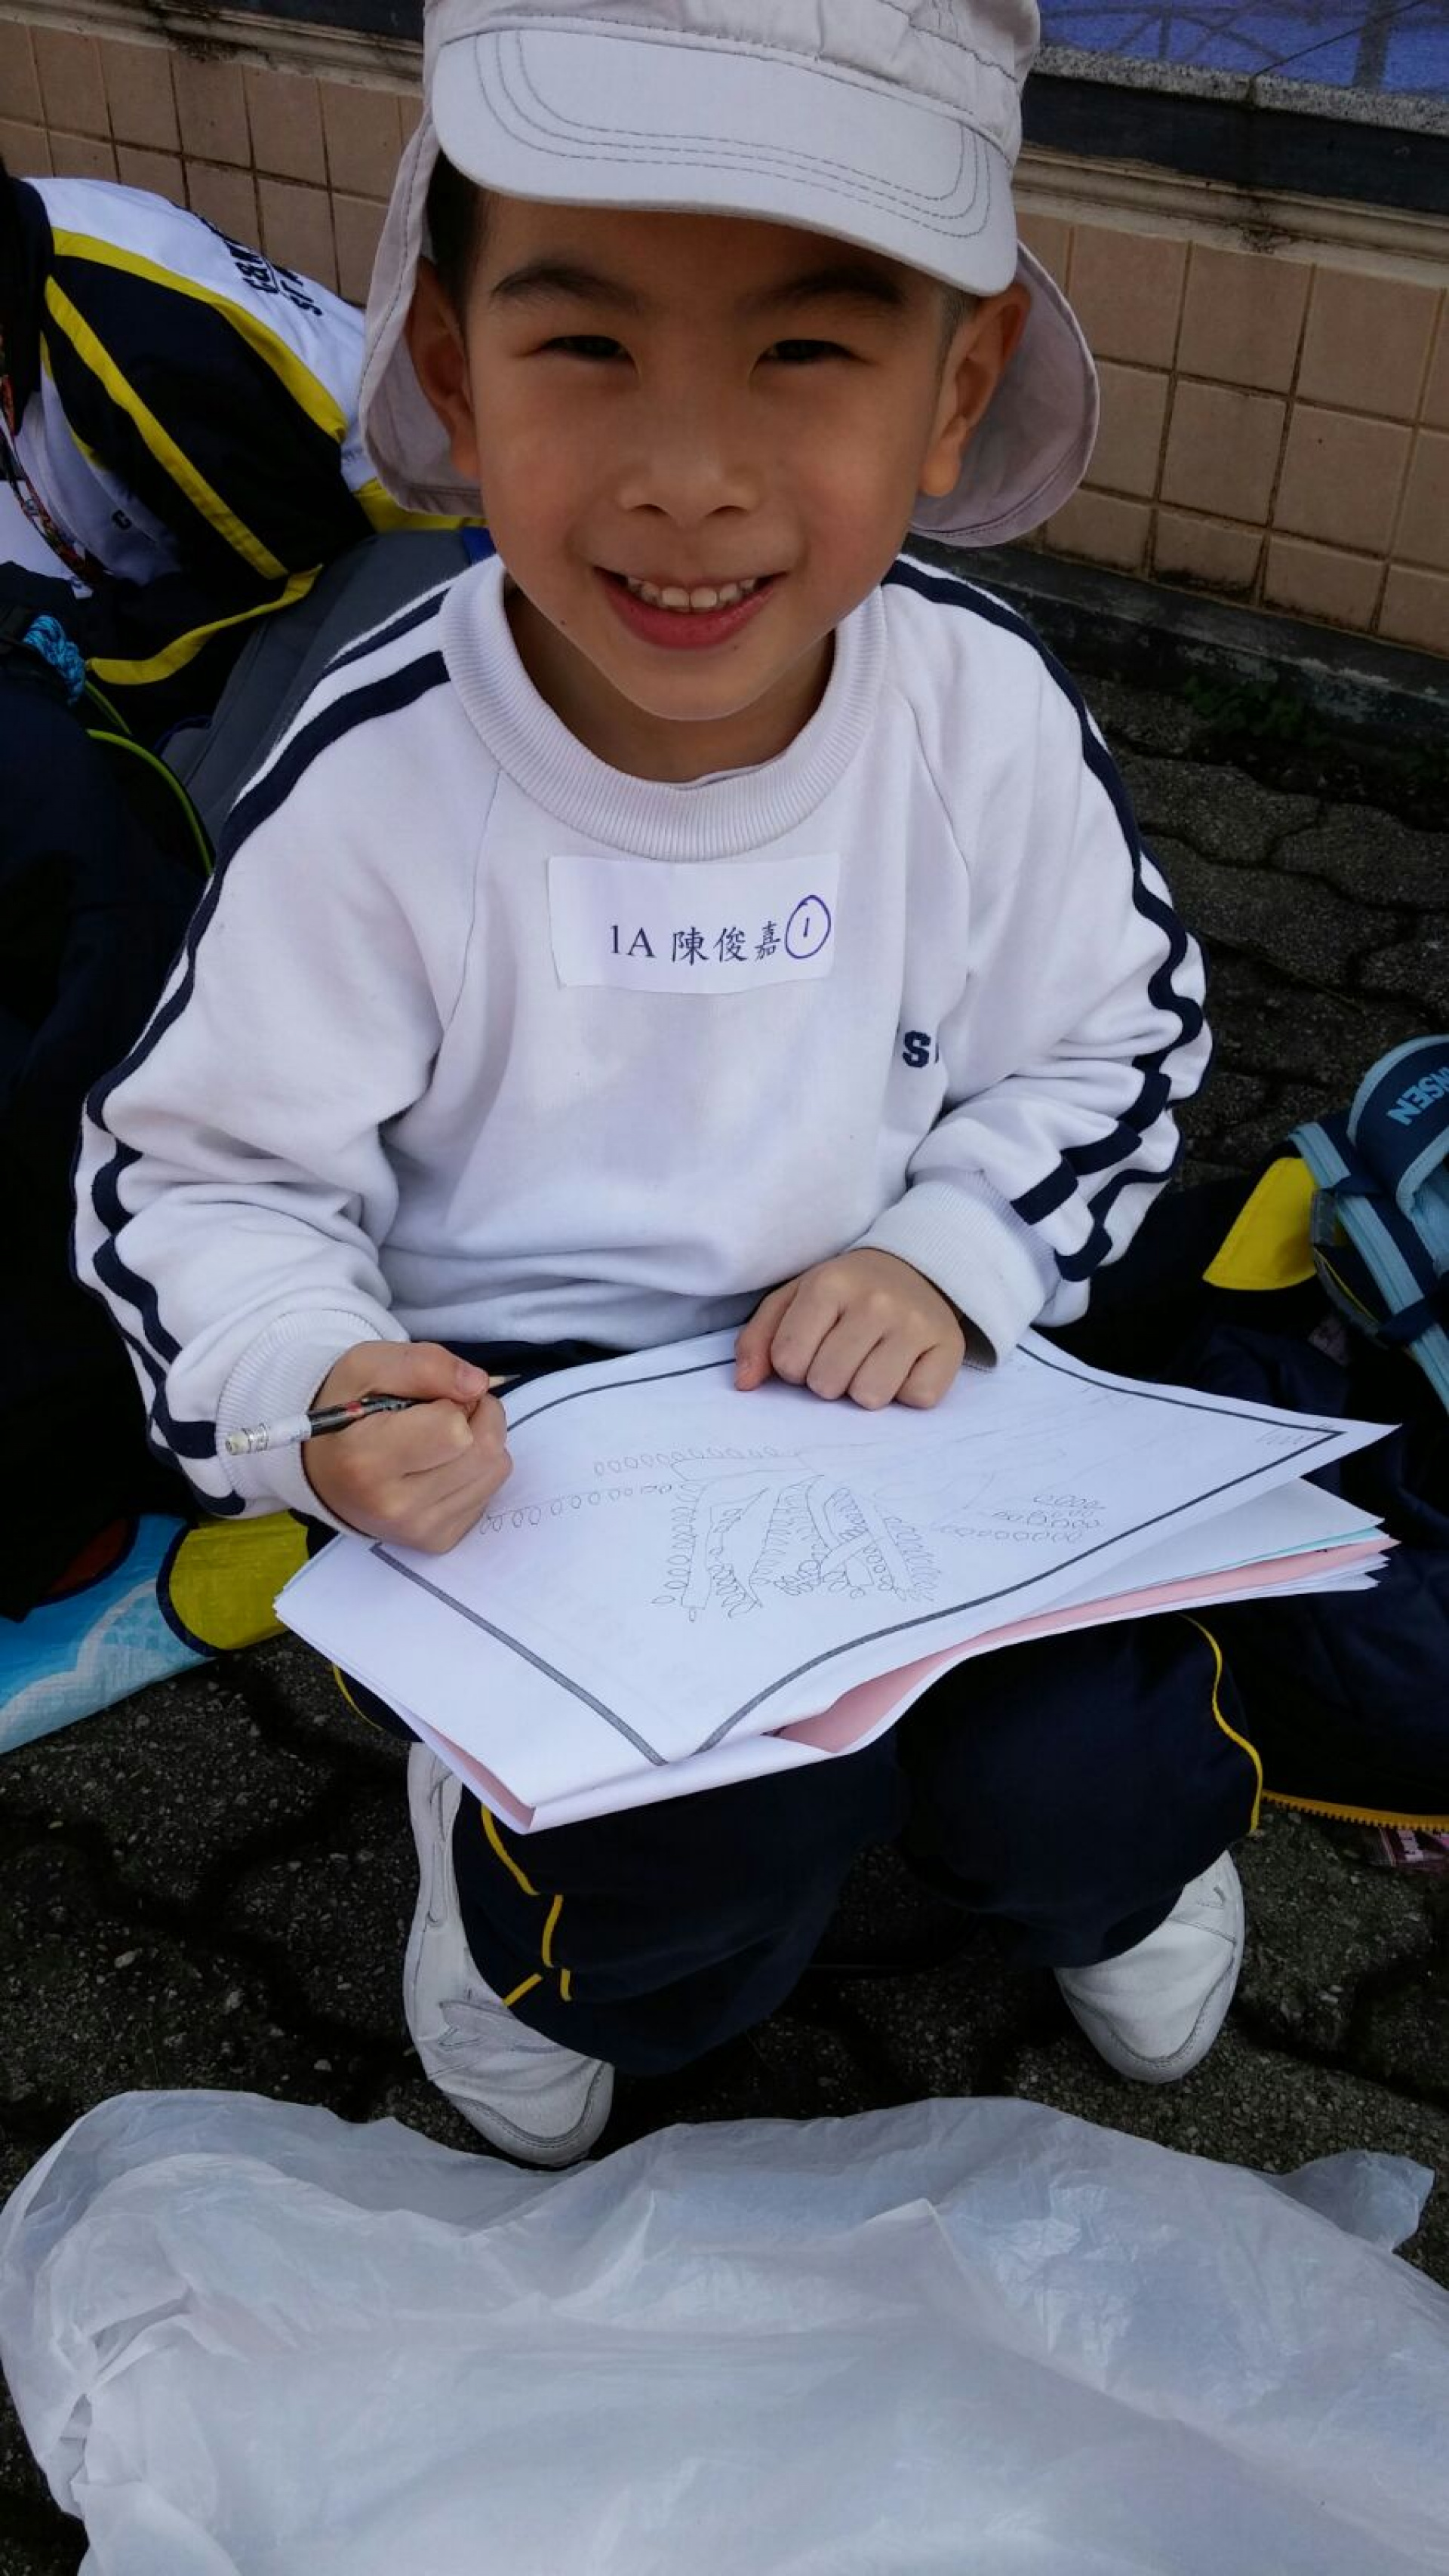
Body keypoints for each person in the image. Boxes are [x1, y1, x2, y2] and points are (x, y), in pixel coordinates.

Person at [75, 0, 1257, 2168]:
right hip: (532, 1436)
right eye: (587, 344)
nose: (689, 477)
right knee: (693, 1860)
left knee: (1088, 1760)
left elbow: (1117, 1034)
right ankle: (524, 1905)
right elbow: (203, 1177)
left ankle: (1118, 1866)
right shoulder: (378, 783)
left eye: (806, 350)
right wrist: (315, 1380)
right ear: (453, 368)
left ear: (956, 387)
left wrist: (956, 1246)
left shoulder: (983, 717)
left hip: (916, 1377)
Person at [0, 157, 454, 737]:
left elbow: (278, 586)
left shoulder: (129, 353)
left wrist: (71, 644)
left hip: (408, 558)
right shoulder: (37, 226)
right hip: (301, 531)